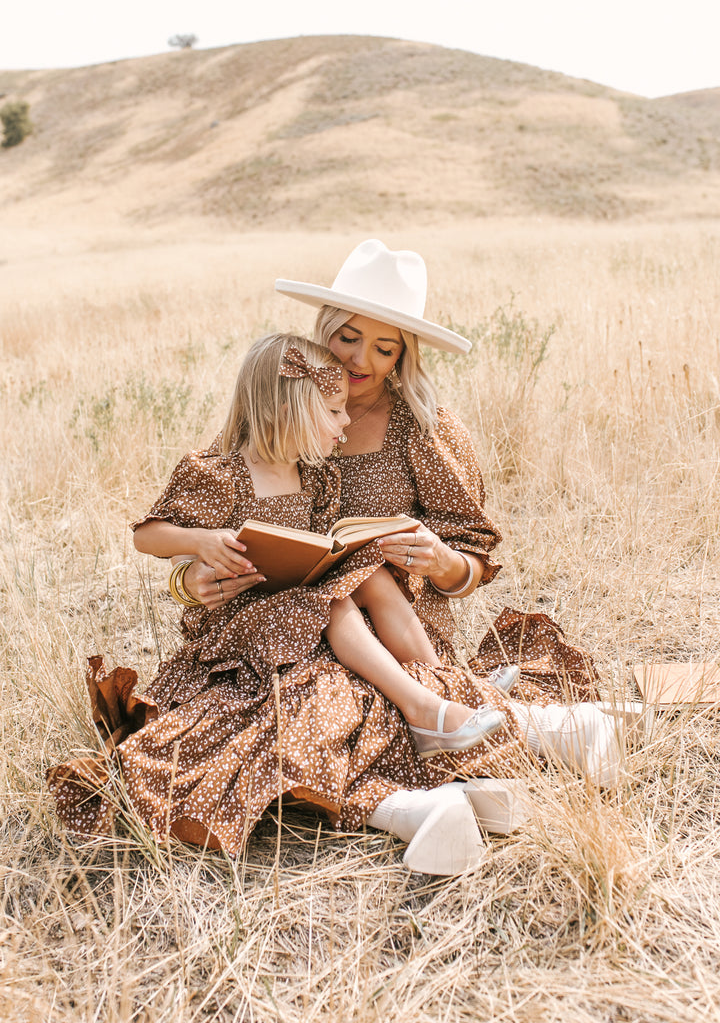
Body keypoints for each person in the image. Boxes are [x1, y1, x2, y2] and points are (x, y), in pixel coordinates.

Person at [48, 243, 629, 877]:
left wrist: (440, 562)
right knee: (301, 688)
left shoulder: (421, 429)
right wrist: (194, 579)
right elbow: (202, 526)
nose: (361, 361)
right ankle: (495, 748)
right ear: (325, 328)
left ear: (405, 356)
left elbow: (476, 557)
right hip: (285, 617)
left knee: (337, 655)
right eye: (350, 338)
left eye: (386, 349)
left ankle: (509, 738)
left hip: (395, 626)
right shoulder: (282, 404)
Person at [131, 332, 507, 758]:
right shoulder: (222, 471)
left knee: (373, 577)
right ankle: (422, 708)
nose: (345, 420)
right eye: (333, 410)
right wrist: (198, 545)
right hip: (242, 612)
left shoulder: (313, 474)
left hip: (295, 599)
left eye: (384, 348)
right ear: (290, 411)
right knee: (334, 603)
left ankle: (445, 685)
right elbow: (147, 534)